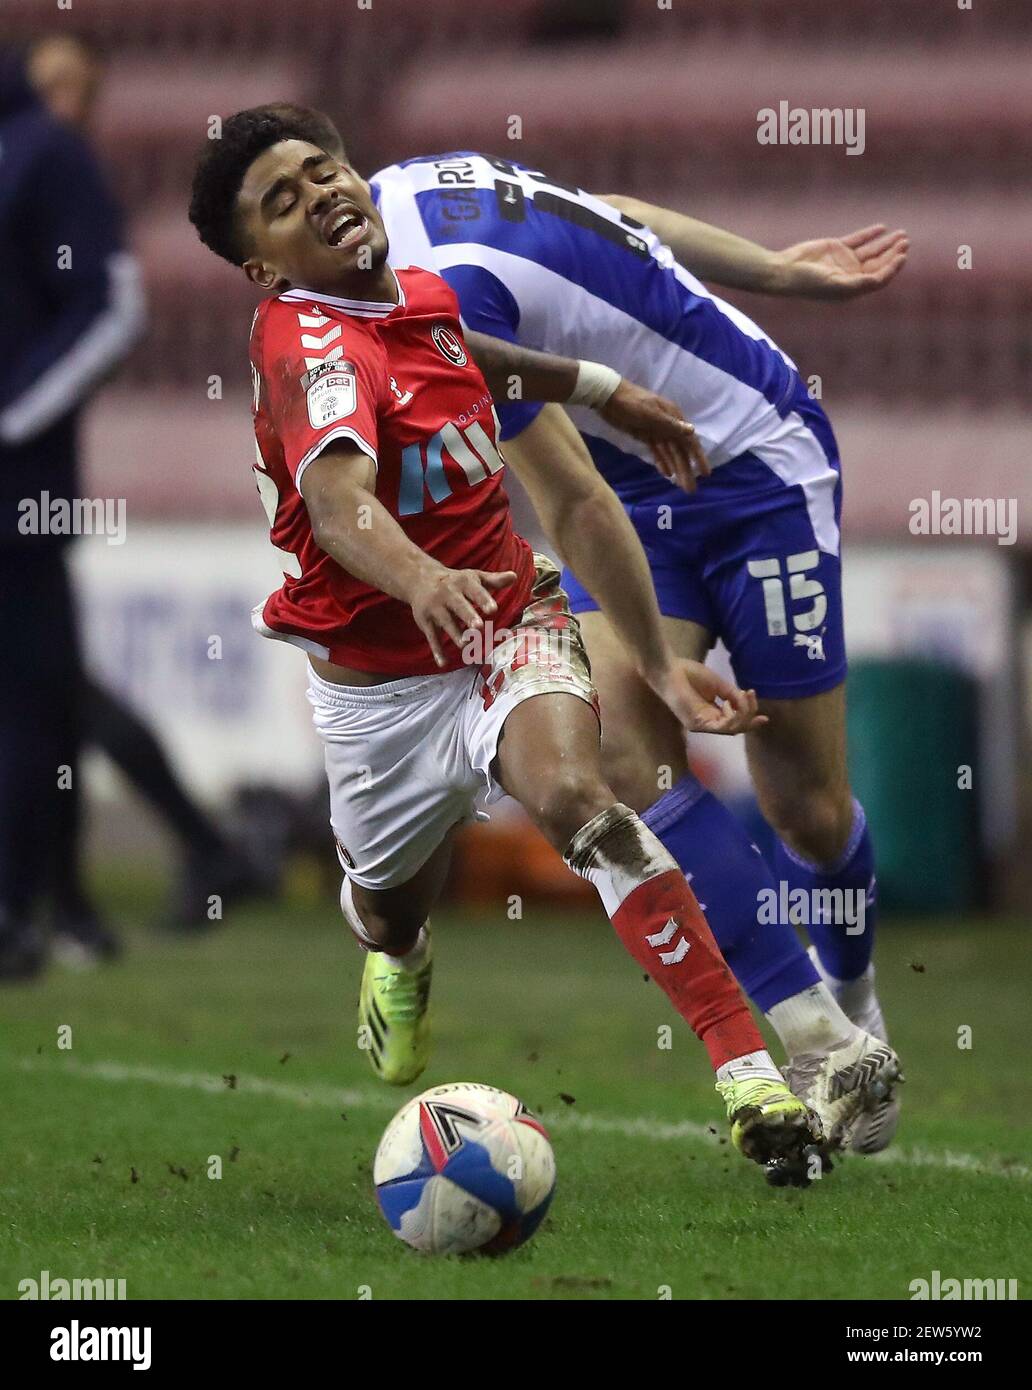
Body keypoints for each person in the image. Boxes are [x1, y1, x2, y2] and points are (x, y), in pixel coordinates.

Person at [187, 110, 843, 1177]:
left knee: (581, 799)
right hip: (380, 691)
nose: (323, 193)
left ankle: (751, 1076)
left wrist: (599, 387)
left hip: (501, 620)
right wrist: (418, 576)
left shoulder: (409, 289)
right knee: (391, 906)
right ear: (263, 263)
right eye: (286, 200)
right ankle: (396, 952)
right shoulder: (308, 347)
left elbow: (452, 338)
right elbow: (342, 501)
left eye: (324, 169)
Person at [24, 33, 264, 951]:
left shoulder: (59, 191)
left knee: (46, 693)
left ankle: (77, 899)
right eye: (49, 88)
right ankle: (118, 880)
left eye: (77, 89)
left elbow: (94, 319)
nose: (64, 107)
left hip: (27, 477)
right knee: (48, 695)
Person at [0, 45, 145, 979]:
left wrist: (11, 416)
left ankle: (29, 911)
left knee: (39, 700)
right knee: (41, 698)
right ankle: (52, 911)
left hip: (18, 495)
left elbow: (114, 304)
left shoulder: (42, 151)